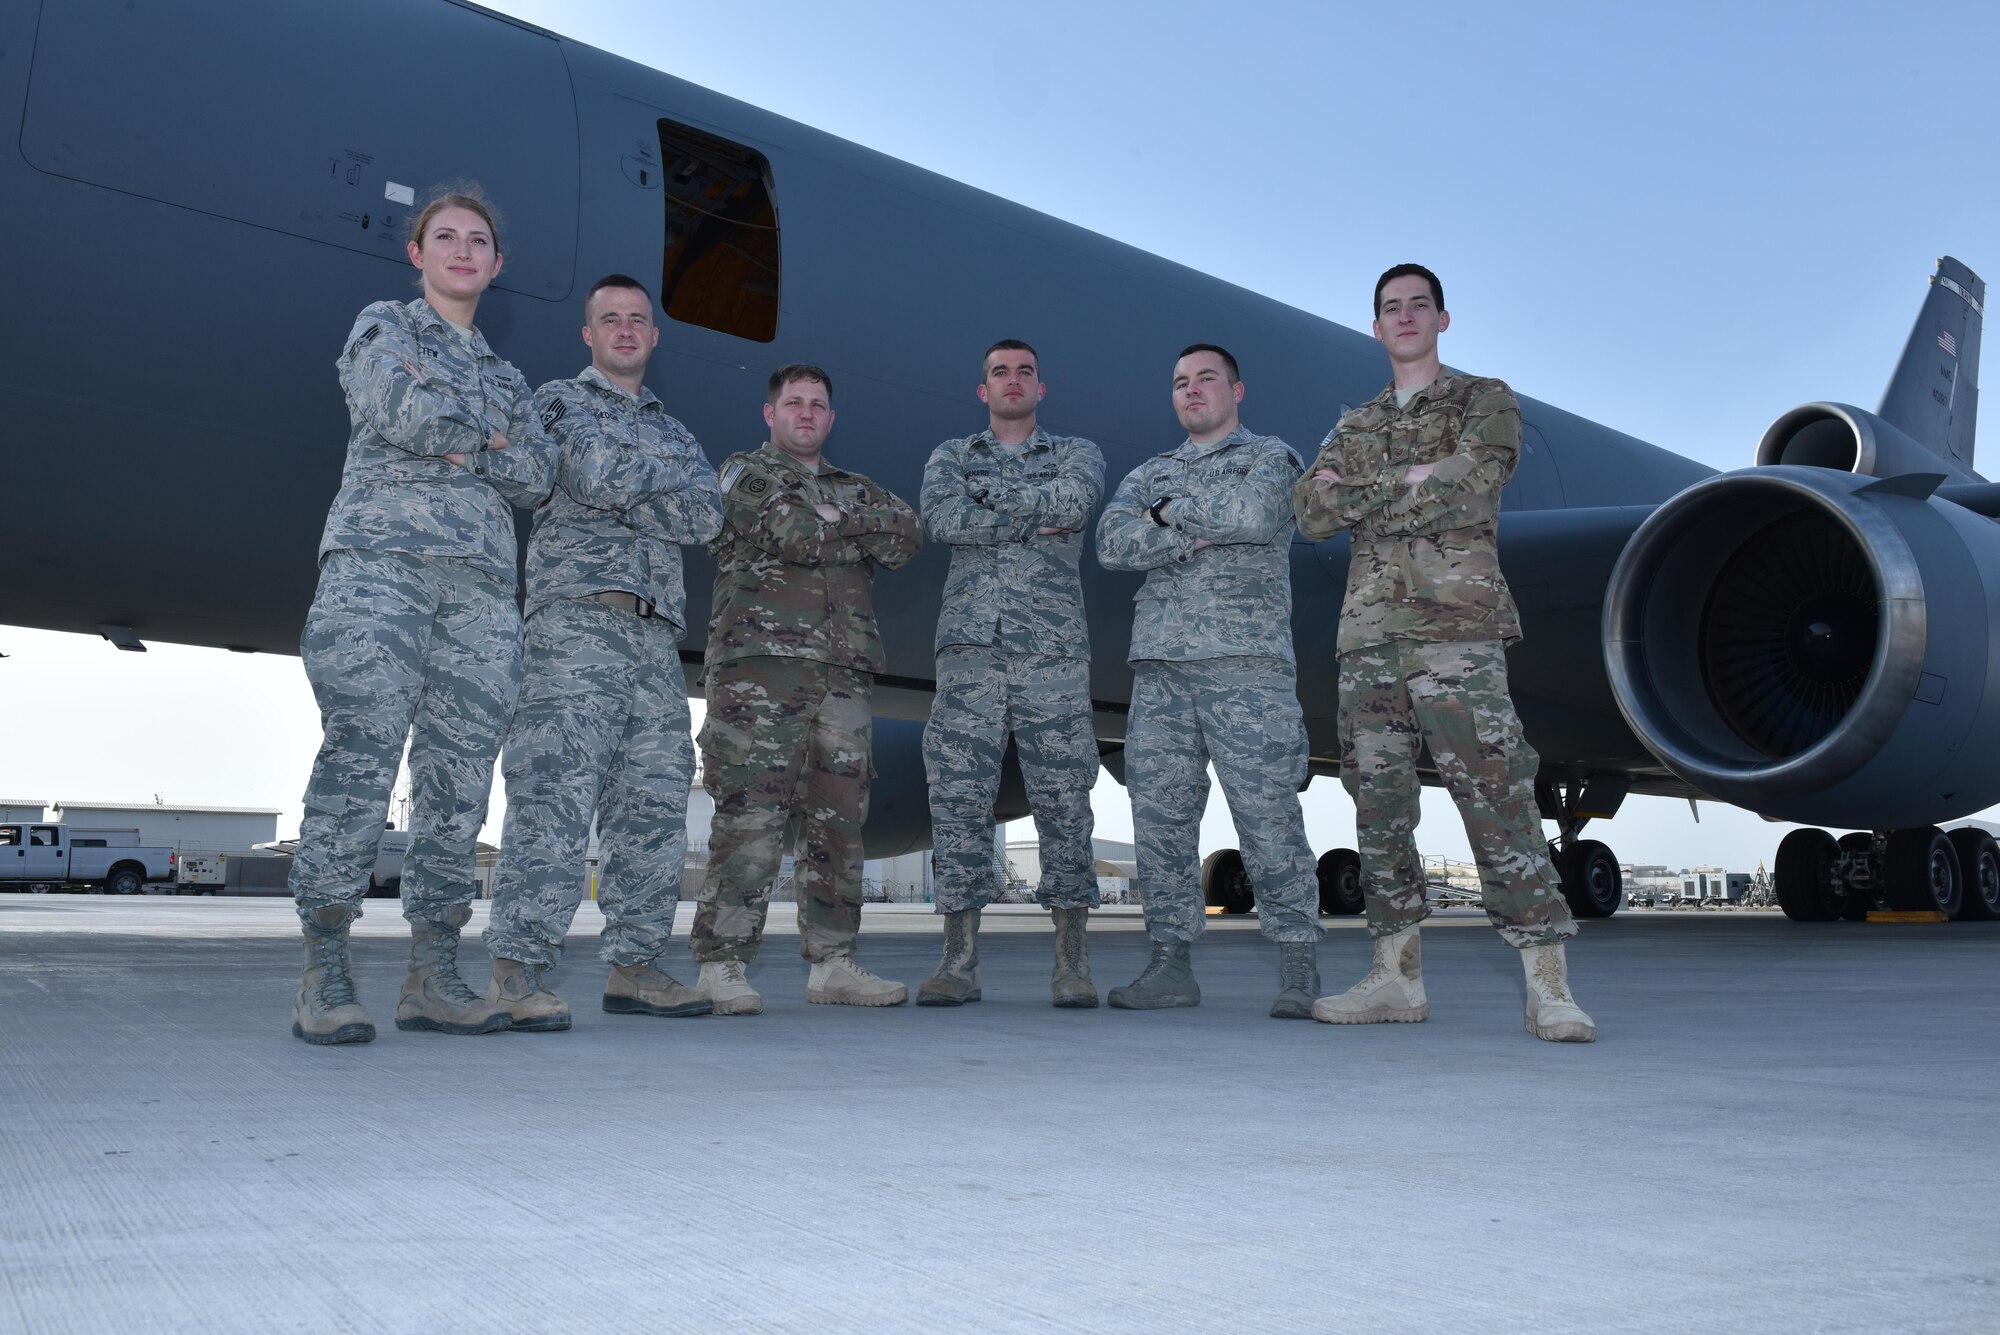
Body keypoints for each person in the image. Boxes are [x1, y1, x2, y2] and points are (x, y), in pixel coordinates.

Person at [1292, 263, 1594, 1042]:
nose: (1404, 317)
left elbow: (1475, 482)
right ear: (1375, 326)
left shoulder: (1481, 398)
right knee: (1378, 803)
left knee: (1495, 791)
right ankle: (1395, 977)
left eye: (1417, 306)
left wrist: (1368, 486)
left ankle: (1548, 986)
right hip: (1368, 636)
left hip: (1455, 627)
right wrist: (1412, 476)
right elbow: (1311, 509)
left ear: (1441, 319)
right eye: (1390, 308)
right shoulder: (1354, 422)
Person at [288, 184, 551, 1045]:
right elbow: (399, 407)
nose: (464, 251)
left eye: (479, 240)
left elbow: (539, 473)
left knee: (458, 779)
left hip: (479, 588)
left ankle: (433, 970)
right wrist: (491, 441)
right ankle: (324, 966)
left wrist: (466, 435)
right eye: (446, 236)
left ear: (497, 264)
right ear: (419, 253)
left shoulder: (508, 375)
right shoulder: (383, 328)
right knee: (361, 752)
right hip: (381, 568)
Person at [479, 275, 724, 1030]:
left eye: (637, 321)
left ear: (654, 337)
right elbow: (586, 469)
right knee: (553, 793)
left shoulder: (675, 429)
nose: (624, 330)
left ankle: (636, 965)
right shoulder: (557, 402)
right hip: (575, 626)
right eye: (608, 319)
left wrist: (638, 487)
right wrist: (660, 491)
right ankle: (518, 970)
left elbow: (708, 512)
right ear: (587, 334)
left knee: (654, 801)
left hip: (655, 639)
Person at [1095, 345, 1322, 1016]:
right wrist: (1193, 526)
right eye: (1180, 383)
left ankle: (1299, 962)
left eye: (1206, 380)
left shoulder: (1271, 458)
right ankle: (1170, 965)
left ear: (1237, 390)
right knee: (1160, 819)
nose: (1191, 391)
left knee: (1267, 814)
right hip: (1162, 668)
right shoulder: (1151, 471)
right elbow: (1111, 544)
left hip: (1245, 663)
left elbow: (1256, 516)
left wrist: (1166, 516)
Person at [690, 365, 922, 1011]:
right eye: (794, 402)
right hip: (761, 673)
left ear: (831, 418)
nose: (807, 412)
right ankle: (723, 964)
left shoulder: (851, 485)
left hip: (842, 676)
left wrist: (831, 512)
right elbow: (786, 529)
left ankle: (834, 964)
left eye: (819, 404)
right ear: (771, 414)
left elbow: (906, 533)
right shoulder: (744, 471)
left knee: (840, 825)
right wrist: (851, 526)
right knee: (752, 817)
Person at [916, 340, 1106, 1007]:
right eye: (1000, 371)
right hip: (969, 654)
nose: (1013, 380)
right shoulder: (950, 457)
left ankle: (1072, 961)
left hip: (1051, 654)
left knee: (1064, 802)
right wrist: (1032, 511)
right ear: (983, 390)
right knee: (958, 801)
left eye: (1025, 371)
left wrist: (988, 508)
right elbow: (941, 519)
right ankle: (958, 960)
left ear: (1041, 388)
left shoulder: (1078, 453)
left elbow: (1074, 504)